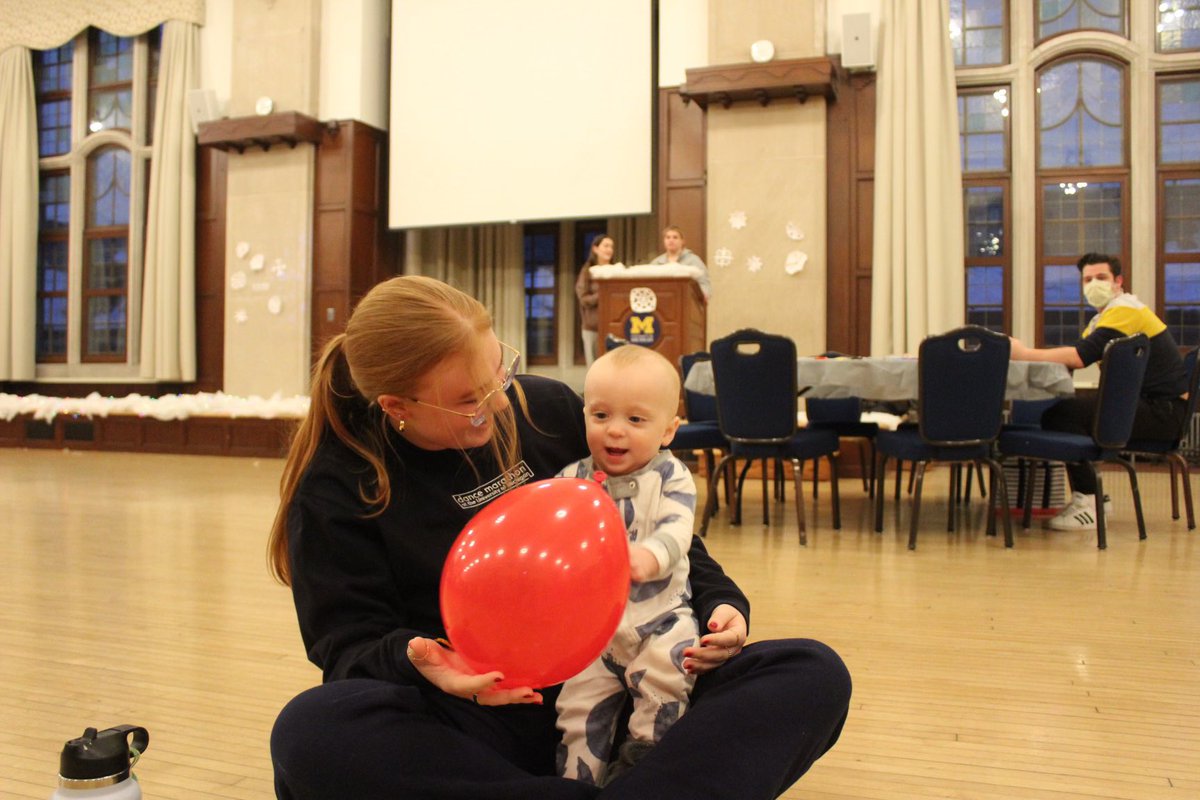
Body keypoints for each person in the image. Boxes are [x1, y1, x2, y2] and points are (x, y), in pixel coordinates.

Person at [266, 275, 851, 800]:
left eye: (500, 374)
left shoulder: (544, 409)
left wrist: (720, 601)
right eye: (470, 401)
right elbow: (347, 647)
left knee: (811, 672)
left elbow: (653, 525)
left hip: (625, 678)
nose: (497, 406)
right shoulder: (338, 486)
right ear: (397, 407)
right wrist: (425, 660)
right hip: (484, 715)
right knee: (311, 731)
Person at [555, 345, 697, 786]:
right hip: (591, 630)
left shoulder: (672, 477)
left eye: (635, 420)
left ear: (668, 430)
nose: (615, 431)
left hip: (660, 617)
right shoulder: (571, 480)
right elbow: (553, 537)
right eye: (600, 416)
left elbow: (678, 529)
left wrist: (648, 555)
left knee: (665, 685)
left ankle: (641, 769)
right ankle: (575, 779)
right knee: (576, 710)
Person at [1009, 252, 1188, 531]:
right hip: (1154, 408)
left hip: (1162, 412)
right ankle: (1094, 497)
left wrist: (1022, 353)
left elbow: (1081, 356)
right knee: (1066, 410)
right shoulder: (1104, 318)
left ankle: (1090, 501)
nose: (1094, 284)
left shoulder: (1126, 310)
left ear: (1118, 282)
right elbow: (1077, 354)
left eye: (1101, 278)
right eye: (1087, 279)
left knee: (1062, 415)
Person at [576, 234, 614, 366]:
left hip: (613, 327)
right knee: (594, 367)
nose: (609, 249)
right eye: (606, 246)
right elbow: (583, 299)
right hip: (592, 328)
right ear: (595, 249)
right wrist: (602, 295)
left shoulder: (616, 272)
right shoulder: (587, 271)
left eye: (611, 247)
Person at [650, 225, 712, 300]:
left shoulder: (693, 260)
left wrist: (704, 295)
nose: (671, 240)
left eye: (675, 237)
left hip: (687, 301)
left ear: (682, 241)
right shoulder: (656, 262)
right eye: (668, 237)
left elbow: (704, 283)